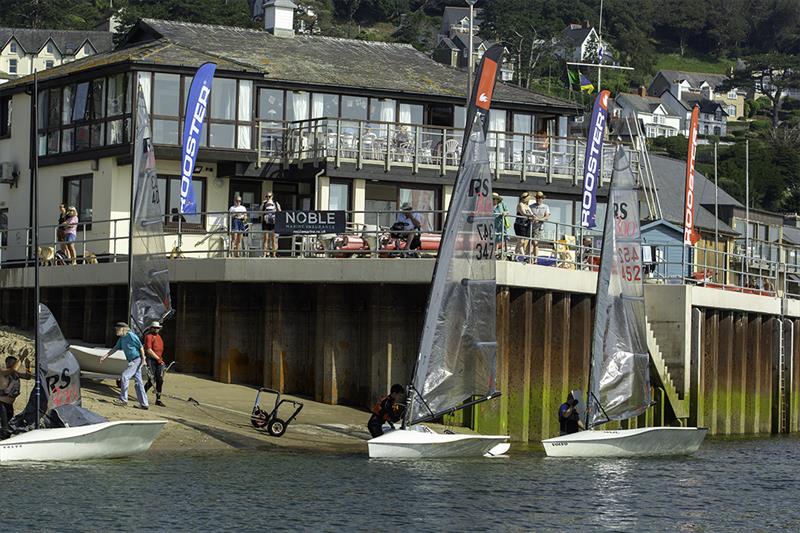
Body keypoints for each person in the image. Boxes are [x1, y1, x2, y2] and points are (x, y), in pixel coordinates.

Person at [101, 322, 149, 410]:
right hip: (132, 361)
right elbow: (115, 348)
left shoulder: (131, 336)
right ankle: (144, 404)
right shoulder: (121, 339)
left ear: (123, 329)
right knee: (139, 383)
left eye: (117, 329)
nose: (116, 331)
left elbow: (141, 347)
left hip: (137, 360)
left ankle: (123, 399)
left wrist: (143, 360)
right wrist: (105, 356)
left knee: (124, 376)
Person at [143, 321, 166, 407]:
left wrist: (160, 360)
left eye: (158, 328)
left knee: (160, 380)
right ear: (151, 328)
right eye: (155, 328)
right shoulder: (148, 336)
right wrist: (158, 358)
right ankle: (142, 393)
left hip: (159, 361)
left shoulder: (159, 337)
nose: (156, 329)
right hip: (151, 360)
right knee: (152, 380)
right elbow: (148, 350)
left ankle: (158, 399)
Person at [0, 356, 21, 432]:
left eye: (14, 363)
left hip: (9, 405)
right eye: (11, 363)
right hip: (1, 404)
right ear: (7, 363)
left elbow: (28, 376)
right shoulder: (2, 372)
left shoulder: (15, 374)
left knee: (9, 426)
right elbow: (13, 369)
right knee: (5, 427)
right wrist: (21, 358)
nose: (13, 364)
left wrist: (28, 366)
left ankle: (5, 438)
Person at [529, 191, 551, 260]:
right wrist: (531, 218)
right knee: (529, 242)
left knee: (535, 242)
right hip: (530, 226)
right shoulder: (531, 206)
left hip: (539, 227)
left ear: (542, 199)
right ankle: (529, 257)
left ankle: (535, 258)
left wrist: (539, 219)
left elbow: (547, 216)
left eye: (540, 198)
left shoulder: (545, 207)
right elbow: (527, 215)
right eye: (537, 198)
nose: (539, 199)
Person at [513, 192, 534, 260]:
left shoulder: (527, 206)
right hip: (519, 225)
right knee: (521, 241)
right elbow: (523, 213)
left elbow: (531, 213)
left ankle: (515, 256)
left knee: (520, 241)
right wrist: (531, 216)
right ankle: (524, 256)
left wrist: (533, 217)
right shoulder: (520, 204)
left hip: (526, 225)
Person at [260, 192, 281, 258]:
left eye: (269, 196)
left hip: (274, 223)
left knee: (273, 239)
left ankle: (274, 254)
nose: (268, 198)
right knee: (266, 239)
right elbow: (260, 212)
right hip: (266, 223)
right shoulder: (264, 203)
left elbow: (280, 211)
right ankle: (264, 254)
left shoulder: (276, 203)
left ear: (272, 196)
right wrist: (263, 204)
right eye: (267, 196)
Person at [492, 192, 510, 259]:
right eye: (493, 198)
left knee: (504, 236)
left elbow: (507, 211)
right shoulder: (489, 205)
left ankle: (505, 251)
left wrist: (504, 213)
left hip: (501, 223)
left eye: (495, 199)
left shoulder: (502, 204)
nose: (494, 200)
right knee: (495, 237)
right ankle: (495, 252)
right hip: (493, 224)